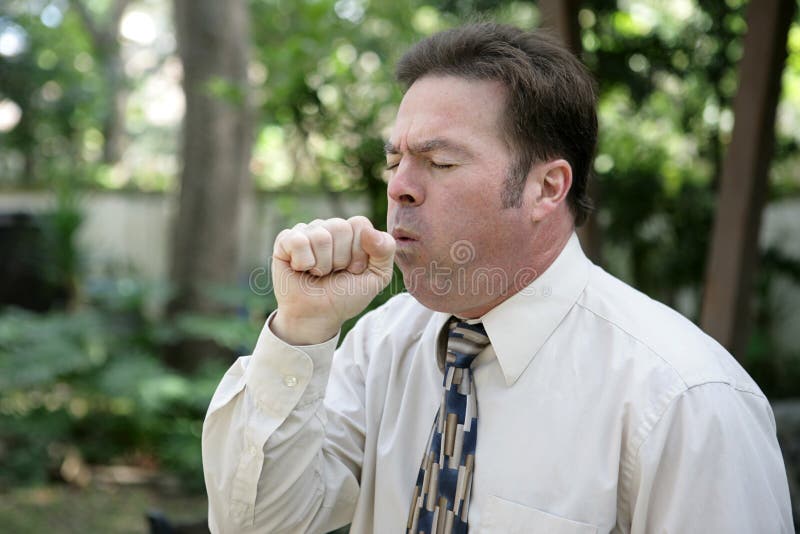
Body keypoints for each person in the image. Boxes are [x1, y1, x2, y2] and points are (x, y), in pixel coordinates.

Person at [201, 22, 793, 533]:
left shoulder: (685, 400)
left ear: (546, 188)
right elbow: (258, 523)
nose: (399, 185)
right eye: (394, 160)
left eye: (441, 162)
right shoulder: (381, 345)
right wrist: (302, 328)